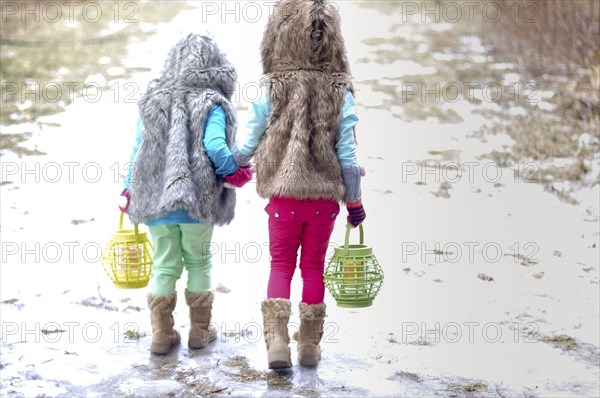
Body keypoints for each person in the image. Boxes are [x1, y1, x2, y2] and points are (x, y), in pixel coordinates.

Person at [231, 0, 366, 368]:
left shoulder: (275, 86)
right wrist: (354, 203)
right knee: (313, 268)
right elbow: (348, 155)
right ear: (332, 41)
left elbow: (251, 136)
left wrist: (235, 165)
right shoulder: (341, 90)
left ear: (278, 39)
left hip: (283, 195)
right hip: (323, 200)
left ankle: (276, 343)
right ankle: (308, 345)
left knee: (280, 265)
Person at [119, 33, 252, 355]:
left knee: (164, 264)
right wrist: (234, 172)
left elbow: (138, 150)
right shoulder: (212, 102)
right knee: (199, 262)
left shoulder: (153, 99)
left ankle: (161, 335)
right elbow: (215, 146)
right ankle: (199, 331)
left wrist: (128, 188)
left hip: (154, 200)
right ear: (214, 66)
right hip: (196, 200)